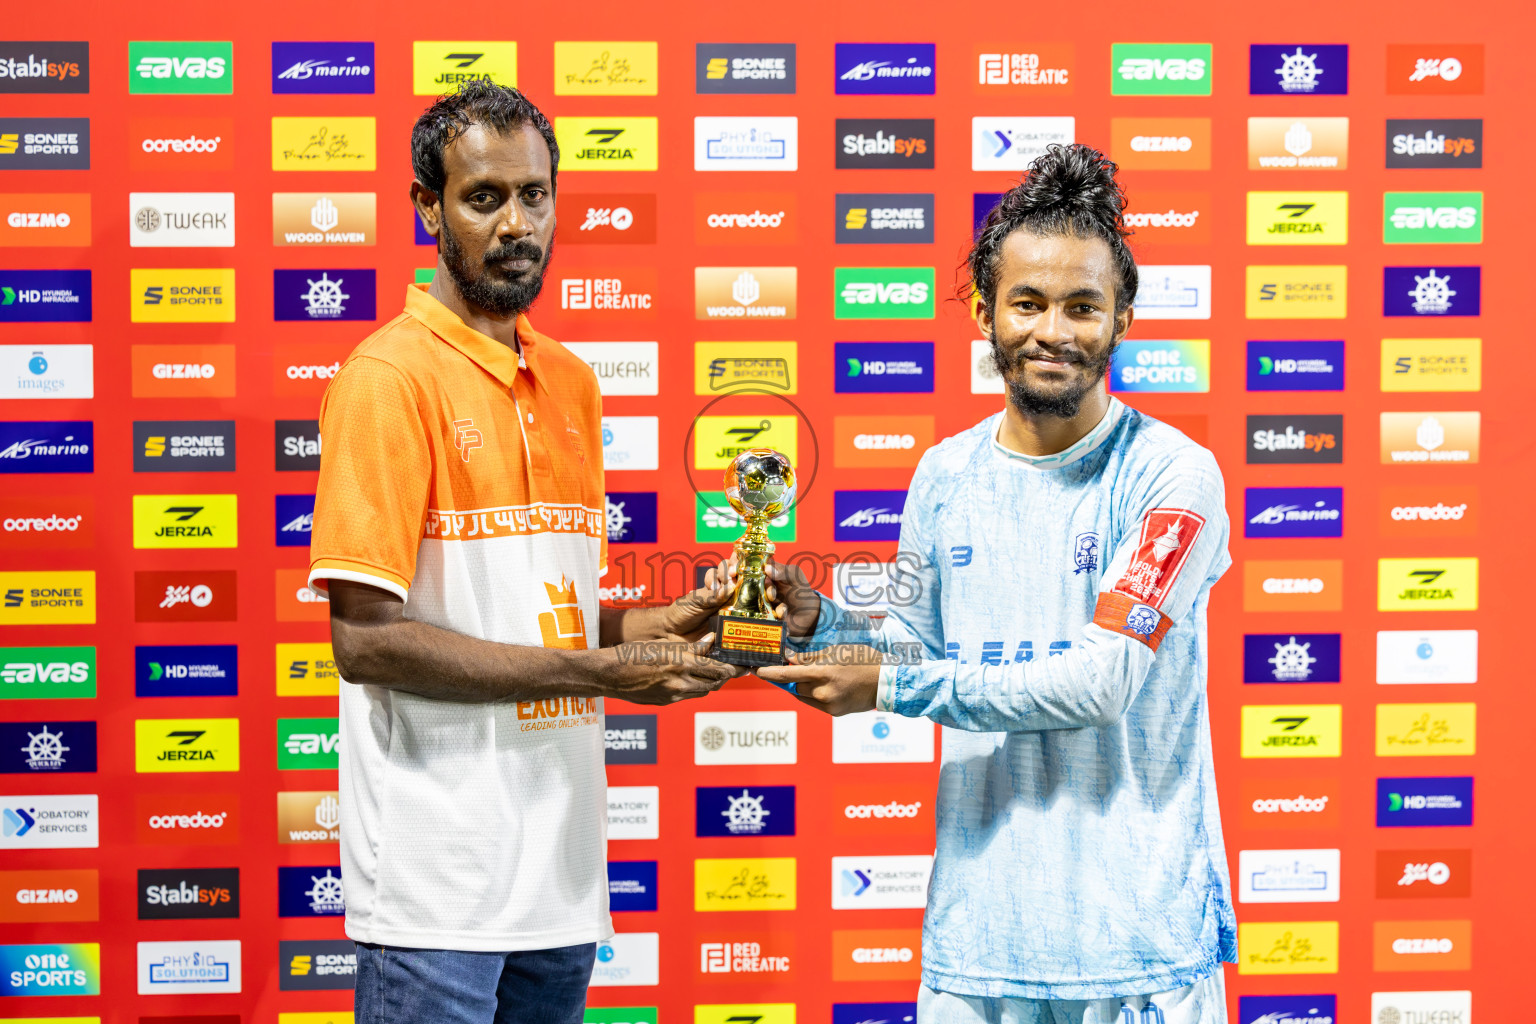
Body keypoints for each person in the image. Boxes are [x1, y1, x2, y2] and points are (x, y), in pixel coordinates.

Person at [752, 144, 1237, 1023]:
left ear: (1122, 319)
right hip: (978, 947)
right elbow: (912, 647)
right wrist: (819, 625)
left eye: (1083, 306)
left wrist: (892, 684)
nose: (1054, 330)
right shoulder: (943, 474)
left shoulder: (1175, 476)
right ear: (985, 313)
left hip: (1136, 953)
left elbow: (1102, 681)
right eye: (1029, 303)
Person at [308, 81, 738, 1024]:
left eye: (534, 196)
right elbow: (365, 643)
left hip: (561, 886)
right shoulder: (387, 380)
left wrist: (654, 626)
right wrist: (593, 670)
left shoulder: (574, 382)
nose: (517, 223)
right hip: (435, 900)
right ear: (428, 208)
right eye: (484, 197)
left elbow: (539, 613)